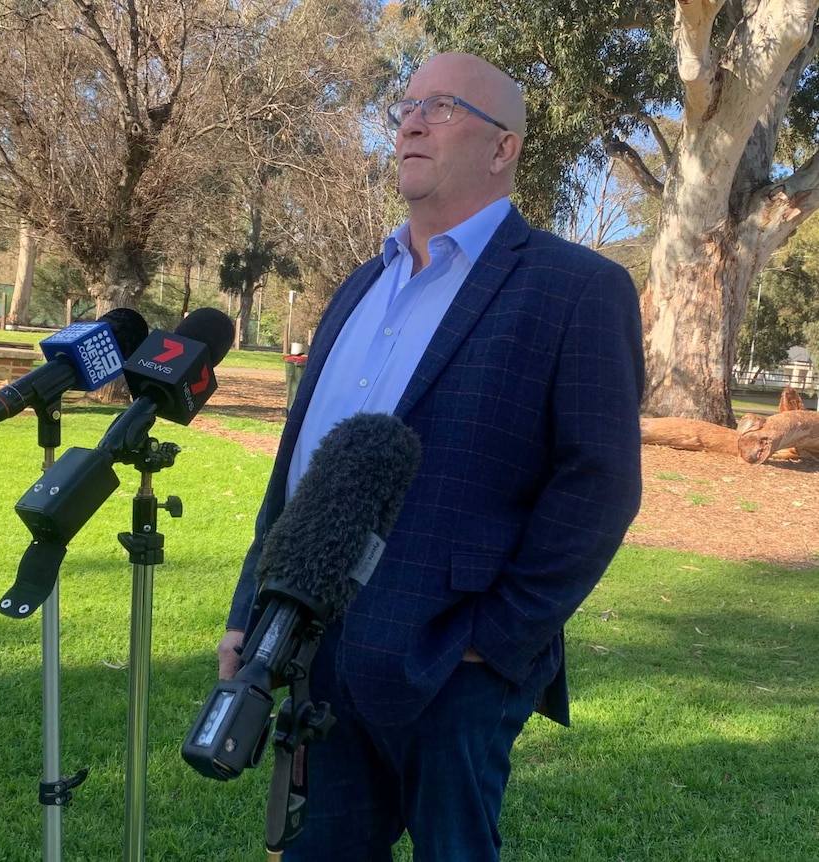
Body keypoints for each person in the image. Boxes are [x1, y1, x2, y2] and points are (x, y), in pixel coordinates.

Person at [218, 52, 644, 861]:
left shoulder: (576, 289)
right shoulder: (358, 285)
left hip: (453, 670)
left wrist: (495, 638)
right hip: (319, 655)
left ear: (503, 147)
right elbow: (298, 470)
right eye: (406, 106)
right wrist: (253, 604)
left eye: (442, 106)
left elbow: (601, 483)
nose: (412, 120)